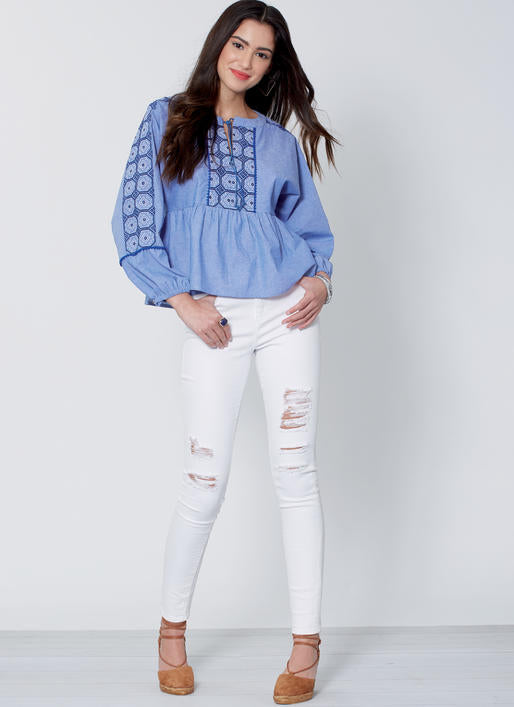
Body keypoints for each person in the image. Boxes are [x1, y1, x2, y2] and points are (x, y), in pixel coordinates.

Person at [110, 1, 339, 702]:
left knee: (296, 472)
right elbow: (135, 221)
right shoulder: (166, 118)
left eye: (263, 53)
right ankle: (171, 632)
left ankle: (305, 645)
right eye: (239, 44)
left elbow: (311, 233)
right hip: (216, 320)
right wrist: (180, 299)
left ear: (273, 67)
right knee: (204, 480)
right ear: (219, 45)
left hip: (287, 316)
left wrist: (321, 281)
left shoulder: (278, 142)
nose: (247, 61)